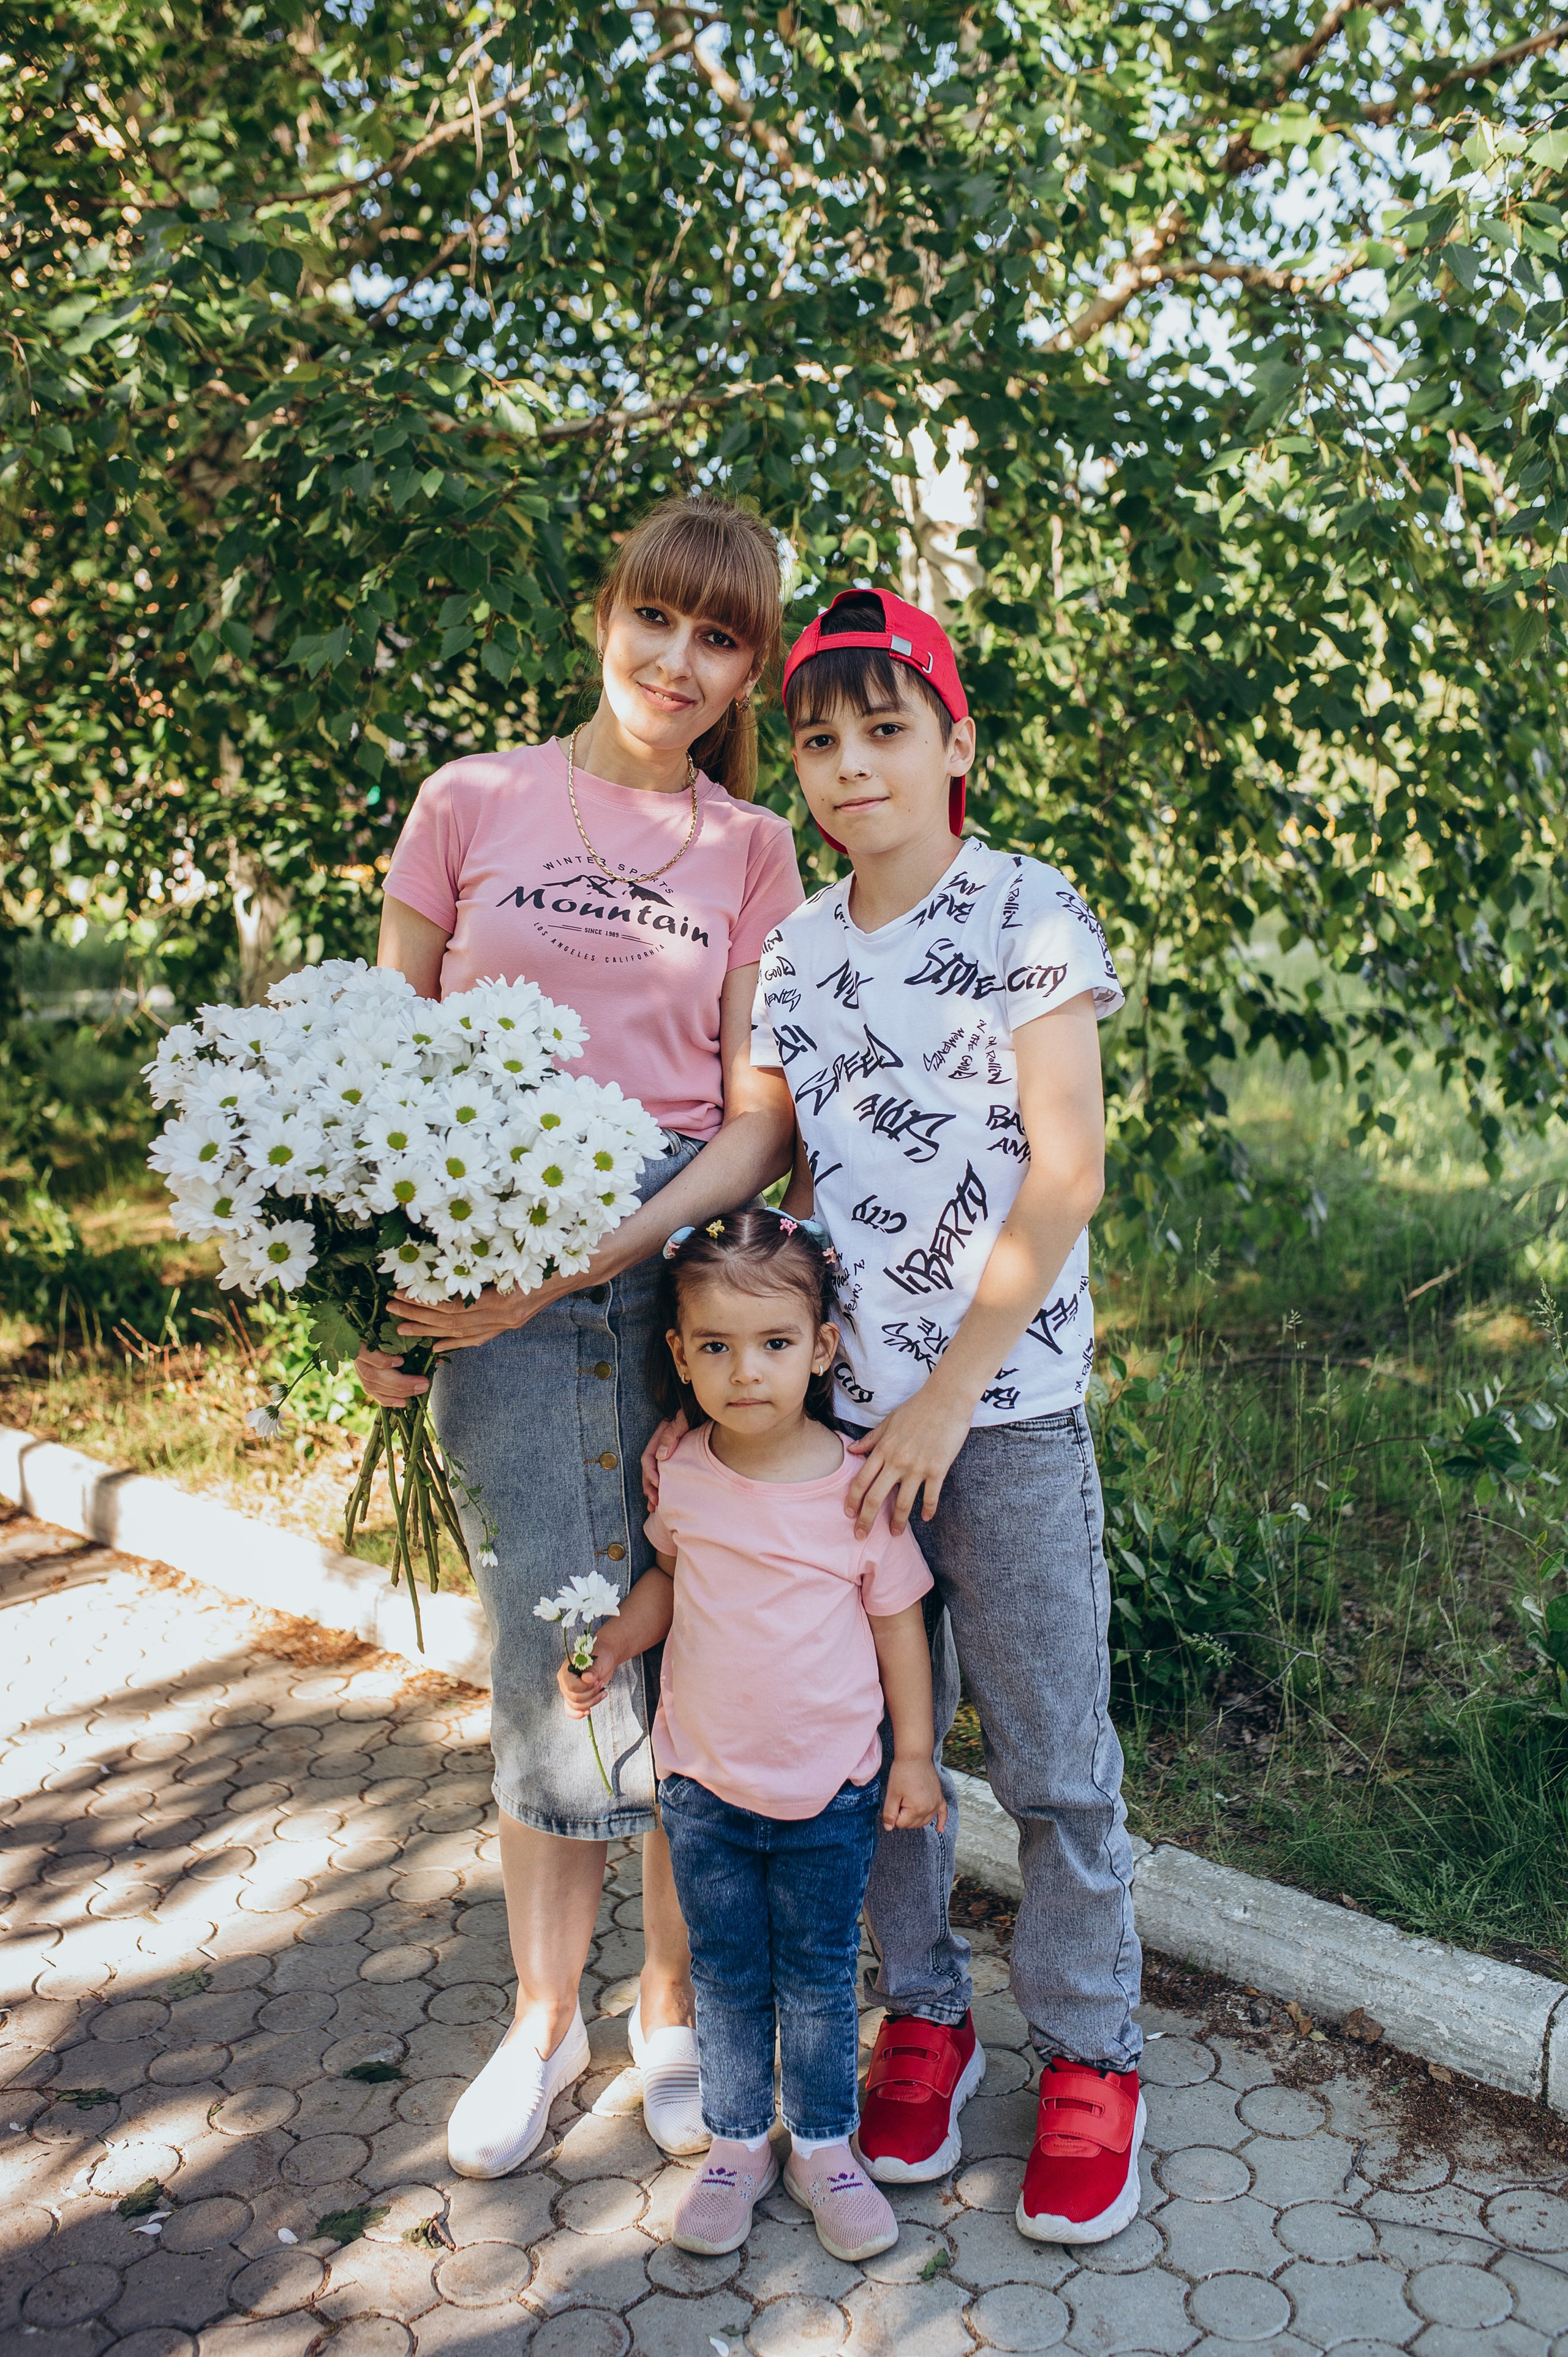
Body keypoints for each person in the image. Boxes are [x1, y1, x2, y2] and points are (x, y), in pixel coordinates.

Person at [358, 497, 804, 2178]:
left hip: (681, 1288)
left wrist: (588, 1258)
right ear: (601, 613)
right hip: (490, 1294)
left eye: (720, 639)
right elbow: (370, 1083)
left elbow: (757, 1123)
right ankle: (543, 2021)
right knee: (549, 1641)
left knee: (691, 1649)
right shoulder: (471, 801)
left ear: (746, 666)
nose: (679, 662)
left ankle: (669, 2009)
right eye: (658, 619)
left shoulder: (752, 851)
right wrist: (379, 1305)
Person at [749, 586, 1144, 2244]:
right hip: (844, 1434)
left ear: (956, 744)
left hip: (1008, 1416)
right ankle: (924, 2011)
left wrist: (945, 1399)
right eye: (820, 742)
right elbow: (756, 1165)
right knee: (875, 1758)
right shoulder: (792, 949)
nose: (851, 769)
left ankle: (1092, 2052)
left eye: (885, 731)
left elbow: (1068, 1171)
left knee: (1053, 1762)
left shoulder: (1026, 912)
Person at [562, 1209, 941, 2261]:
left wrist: (914, 1754)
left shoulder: (857, 1487)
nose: (746, 1373)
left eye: (775, 1346)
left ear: (822, 1350)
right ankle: (738, 2143)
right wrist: (610, 1647)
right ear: (679, 1356)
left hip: (831, 1789)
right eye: (717, 1349)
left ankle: (824, 2143)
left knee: (817, 1976)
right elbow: (668, 1583)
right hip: (704, 1787)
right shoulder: (680, 1470)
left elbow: (898, 1623)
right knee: (728, 1974)